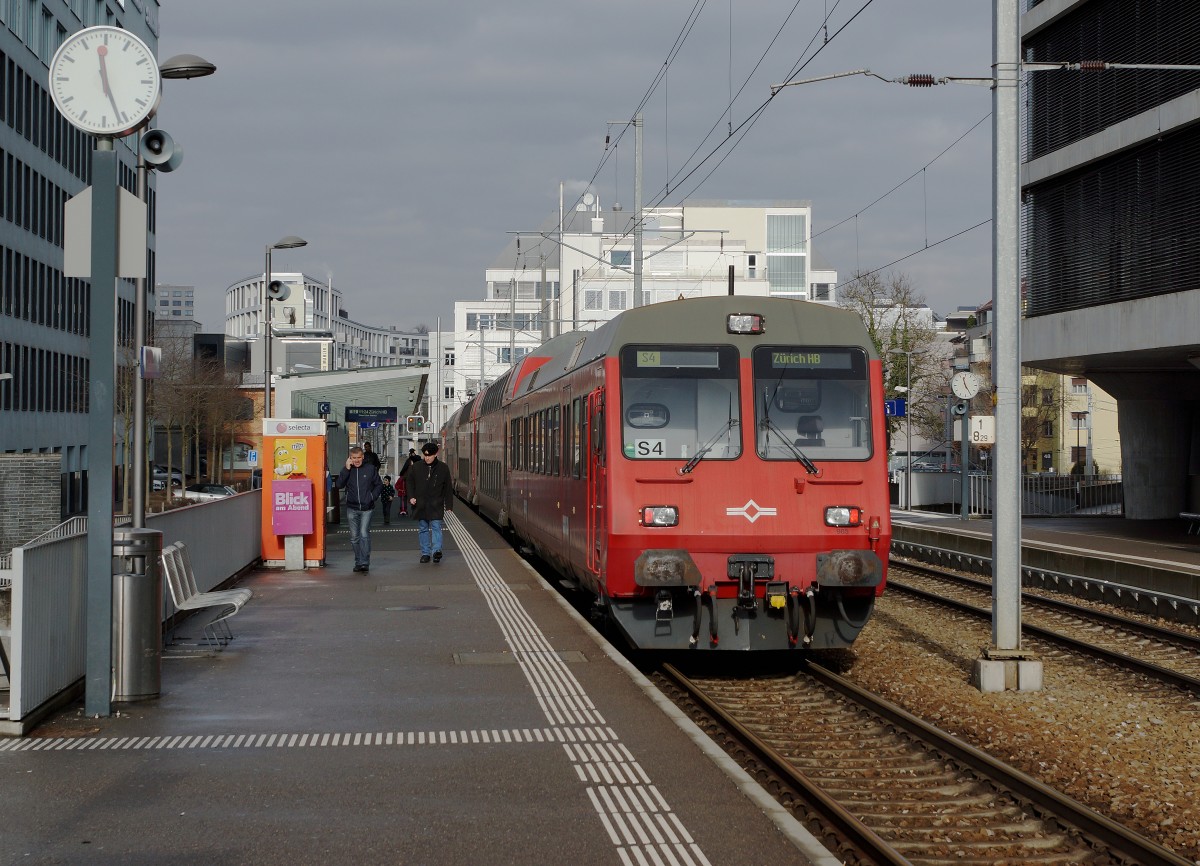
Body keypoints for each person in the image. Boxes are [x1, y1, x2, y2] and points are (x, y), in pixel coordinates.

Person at [335, 445, 382, 573]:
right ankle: (358, 561)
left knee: (364, 534)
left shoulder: (370, 469)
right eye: (354, 458)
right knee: (354, 537)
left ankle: (365, 562)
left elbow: (379, 485)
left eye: (358, 458)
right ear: (350, 458)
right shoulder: (347, 469)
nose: (356, 460)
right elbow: (339, 485)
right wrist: (346, 469)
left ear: (363, 457)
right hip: (352, 507)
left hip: (367, 508)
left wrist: (372, 497)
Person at [406, 441, 453, 563]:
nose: (426, 458)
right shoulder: (416, 467)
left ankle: (436, 551)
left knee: (436, 526)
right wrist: (411, 496)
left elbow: (448, 487)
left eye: (429, 455)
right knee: (423, 527)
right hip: (420, 503)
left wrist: (449, 505)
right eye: (425, 455)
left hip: (436, 503)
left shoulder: (443, 468)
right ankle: (425, 553)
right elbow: (409, 482)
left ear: (435, 454)